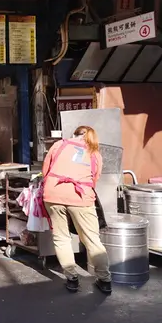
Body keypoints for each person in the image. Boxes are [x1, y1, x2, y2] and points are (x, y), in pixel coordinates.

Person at [42, 125, 111, 294]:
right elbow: (95, 178)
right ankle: (105, 280)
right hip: (81, 196)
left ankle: (72, 279)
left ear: (74, 134)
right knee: (92, 240)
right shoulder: (94, 152)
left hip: (53, 193)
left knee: (61, 238)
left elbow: (45, 170)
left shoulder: (59, 144)